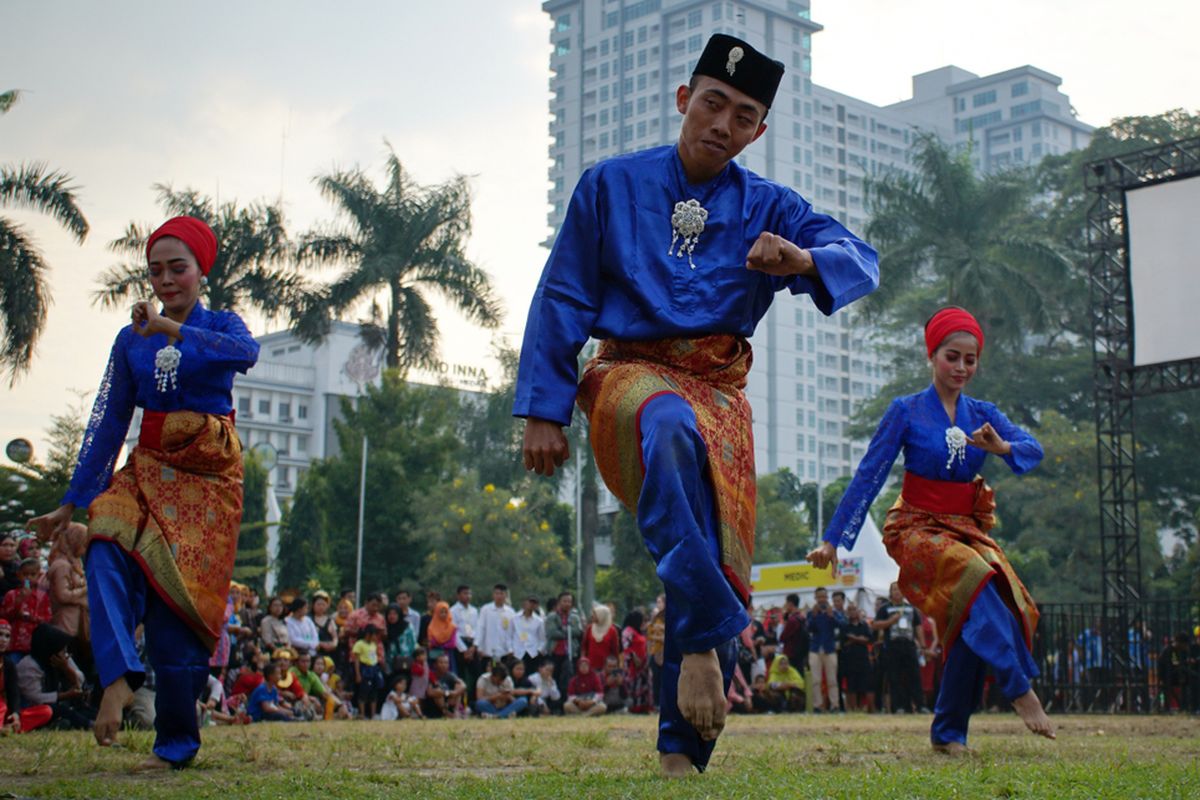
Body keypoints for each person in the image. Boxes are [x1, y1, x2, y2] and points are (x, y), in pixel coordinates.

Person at [515, 33, 877, 775]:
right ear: (684, 99)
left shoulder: (770, 205)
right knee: (670, 425)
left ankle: (683, 752)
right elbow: (563, 296)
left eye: (743, 115)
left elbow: (860, 258)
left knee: (708, 544)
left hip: (719, 394)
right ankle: (711, 641)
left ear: (758, 131)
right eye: (713, 102)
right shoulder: (608, 185)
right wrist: (544, 409)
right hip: (629, 380)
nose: (723, 123)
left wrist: (802, 259)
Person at [26, 215, 258, 768]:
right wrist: (71, 500)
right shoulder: (129, 339)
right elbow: (109, 420)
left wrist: (170, 330)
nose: (166, 280)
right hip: (149, 464)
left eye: (178, 268)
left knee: (177, 610)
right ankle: (120, 674)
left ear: (202, 270)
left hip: (208, 475)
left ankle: (176, 745)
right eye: (155, 270)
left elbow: (243, 354)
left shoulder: (221, 324)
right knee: (103, 537)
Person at [809, 306, 1054, 752]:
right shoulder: (905, 411)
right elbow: (869, 474)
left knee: (996, 602)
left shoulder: (984, 413)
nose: (961, 367)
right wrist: (832, 539)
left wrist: (1001, 447)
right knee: (975, 580)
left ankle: (947, 734)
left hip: (965, 529)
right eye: (952, 357)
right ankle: (1019, 689)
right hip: (916, 527)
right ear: (932, 355)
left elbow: (1032, 449)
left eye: (970, 359)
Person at [17, 623, 94, 730]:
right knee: (62, 711)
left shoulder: (62, 659)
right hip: (38, 709)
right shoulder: (29, 666)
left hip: (64, 705)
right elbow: (35, 698)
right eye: (63, 650)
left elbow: (81, 681)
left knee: (86, 711)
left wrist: (67, 669)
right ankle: (89, 725)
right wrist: (65, 695)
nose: (66, 654)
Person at [0, 619, 53, 733]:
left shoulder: (8, 664)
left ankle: (9, 727)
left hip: (3, 713)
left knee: (46, 711)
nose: (3, 640)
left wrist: (15, 713)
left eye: (7, 636)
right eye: (0, 635)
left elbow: (13, 692)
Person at [45, 522, 89, 647]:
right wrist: (86, 588)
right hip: (64, 626)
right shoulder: (61, 565)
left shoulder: (74, 562)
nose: (85, 548)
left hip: (76, 625)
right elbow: (63, 595)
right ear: (75, 541)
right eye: (83, 543)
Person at [1, 557, 52, 663]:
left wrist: (33, 617)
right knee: (14, 668)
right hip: (15, 644)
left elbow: (48, 619)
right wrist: (19, 602)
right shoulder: (12, 595)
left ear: (38, 576)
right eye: (25, 574)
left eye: (32, 575)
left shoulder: (42, 597)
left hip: (34, 644)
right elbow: (4, 616)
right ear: (19, 575)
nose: (28, 578)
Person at [807, 587, 841, 713]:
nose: (822, 599)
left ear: (827, 598)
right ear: (815, 598)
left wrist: (831, 615)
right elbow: (808, 628)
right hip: (815, 649)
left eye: (824, 597)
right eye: (819, 597)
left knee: (832, 679)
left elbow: (841, 625)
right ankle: (817, 706)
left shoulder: (833, 611)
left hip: (829, 649)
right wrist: (814, 616)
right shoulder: (811, 612)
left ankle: (834, 705)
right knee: (816, 680)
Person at [545, 591, 583, 696]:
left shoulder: (575, 617)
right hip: (555, 652)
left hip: (571, 652)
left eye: (569, 601)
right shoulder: (551, 616)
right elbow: (552, 633)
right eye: (565, 601)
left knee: (570, 678)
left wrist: (562, 629)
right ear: (559, 602)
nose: (567, 604)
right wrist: (568, 632)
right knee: (555, 678)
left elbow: (578, 632)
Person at [839, 603, 874, 712]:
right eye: (850, 610)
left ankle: (870, 710)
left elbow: (869, 640)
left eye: (854, 609)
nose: (852, 612)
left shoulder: (864, 625)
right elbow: (844, 642)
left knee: (867, 685)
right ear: (847, 612)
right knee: (851, 686)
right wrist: (860, 639)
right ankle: (853, 709)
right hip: (849, 660)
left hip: (863, 659)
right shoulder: (844, 626)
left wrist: (853, 638)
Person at [476, 584, 515, 665]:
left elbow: (512, 632)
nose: (499, 596)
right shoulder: (486, 609)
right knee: (492, 672)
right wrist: (479, 646)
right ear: (493, 595)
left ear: (506, 595)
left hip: (505, 652)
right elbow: (481, 628)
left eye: (501, 594)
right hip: (489, 651)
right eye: (497, 593)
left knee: (503, 673)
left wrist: (511, 648)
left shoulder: (510, 612)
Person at [622, 610, 653, 713]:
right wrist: (635, 658)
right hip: (633, 666)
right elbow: (626, 647)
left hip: (643, 666)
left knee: (644, 686)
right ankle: (635, 708)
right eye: (642, 620)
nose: (643, 623)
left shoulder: (638, 631)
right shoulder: (628, 631)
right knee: (635, 687)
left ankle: (644, 707)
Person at [351, 624, 384, 719]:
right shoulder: (359, 644)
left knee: (374, 692)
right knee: (364, 692)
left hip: (374, 668)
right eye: (375, 635)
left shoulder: (374, 644)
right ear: (369, 634)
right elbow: (356, 660)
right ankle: (362, 713)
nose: (376, 637)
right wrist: (358, 674)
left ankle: (373, 714)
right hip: (365, 668)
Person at [422, 652, 467, 719]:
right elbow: (430, 693)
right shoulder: (431, 675)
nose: (444, 665)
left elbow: (463, 685)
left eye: (446, 663)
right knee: (438, 691)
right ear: (435, 665)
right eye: (441, 663)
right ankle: (446, 713)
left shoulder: (450, 675)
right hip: (433, 704)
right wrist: (447, 693)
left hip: (448, 702)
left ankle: (456, 711)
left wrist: (455, 693)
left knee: (458, 686)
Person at [512, 595, 546, 675]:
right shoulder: (514, 618)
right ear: (525, 602)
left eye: (534, 603)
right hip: (517, 651)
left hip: (532, 653)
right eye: (530, 602)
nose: (532, 605)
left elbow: (542, 639)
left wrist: (539, 650)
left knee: (531, 676)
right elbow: (510, 635)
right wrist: (511, 649)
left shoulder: (539, 621)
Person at [582, 605, 621, 670]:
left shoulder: (612, 631)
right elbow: (584, 646)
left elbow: (615, 650)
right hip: (590, 665)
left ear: (601, 615)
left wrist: (616, 665)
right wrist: (583, 661)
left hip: (606, 667)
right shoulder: (590, 628)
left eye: (595, 614)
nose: (592, 616)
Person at [426, 601, 459, 671]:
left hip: (448, 655)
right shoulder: (431, 627)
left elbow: (452, 643)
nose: (443, 614)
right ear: (437, 613)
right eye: (441, 612)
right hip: (435, 655)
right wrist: (441, 645)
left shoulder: (452, 627)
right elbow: (431, 642)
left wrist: (441, 646)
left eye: (445, 612)